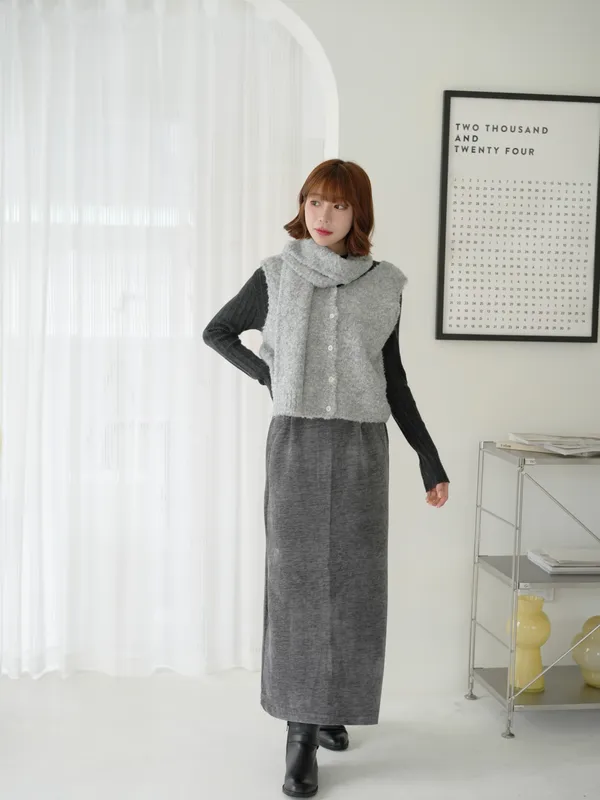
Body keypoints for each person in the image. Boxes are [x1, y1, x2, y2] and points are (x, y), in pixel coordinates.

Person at [202, 159, 449, 798]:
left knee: (355, 588)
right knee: (299, 587)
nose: (322, 215)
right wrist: (272, 376)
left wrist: (427, 456)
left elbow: (394, 379)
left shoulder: (385, 283)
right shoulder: (277, 273)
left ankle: (331, 706)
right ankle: (300, 733)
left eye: (337, 205)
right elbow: (218, 331)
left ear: (357, 212)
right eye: (314, 201)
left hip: (363, 447)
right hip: (298, 444)